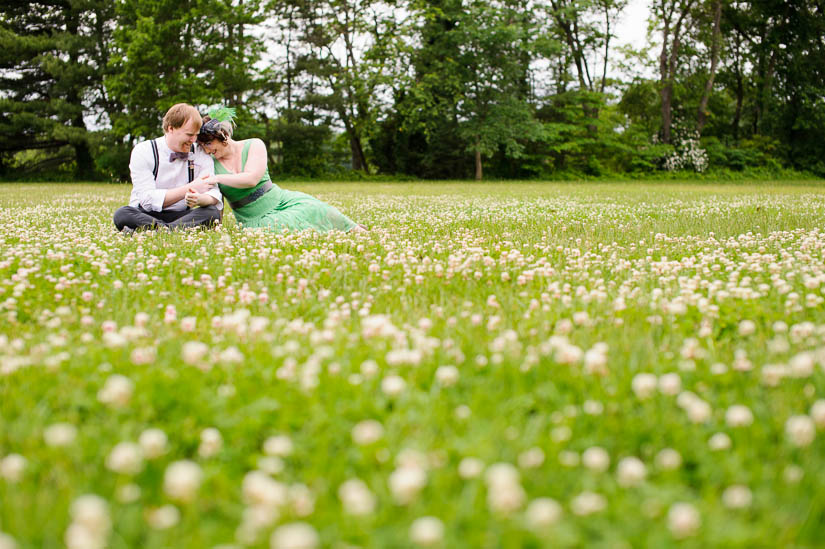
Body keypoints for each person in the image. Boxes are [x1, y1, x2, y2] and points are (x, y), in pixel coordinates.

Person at [194, 107, 365, 233]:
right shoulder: (211, 162)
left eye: (209, 144)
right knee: (278, 226)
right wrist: (218, 224)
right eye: (203, 146)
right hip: (253, 217)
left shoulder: (254, 144)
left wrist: (217, 178)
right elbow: (217, 199)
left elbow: (252, 179)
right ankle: (331, 232)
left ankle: (354, 230)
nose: (207, 150)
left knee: (314, 207)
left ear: (223, 135)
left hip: (281, 200)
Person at [113, 103, 223, 234]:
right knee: (122, 214)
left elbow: (214, 194)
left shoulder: (200, 153)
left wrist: (200, 199)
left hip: (182, 215)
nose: (193, 140)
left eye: (196, 135)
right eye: (189, 134)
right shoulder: (144, 150)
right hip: (146, 214)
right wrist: (191, 187)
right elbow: (147, 200)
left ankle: (162, 231)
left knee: (212, 213)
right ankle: (172, 230)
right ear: (170, 128)